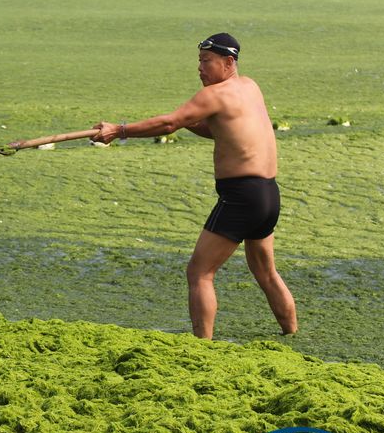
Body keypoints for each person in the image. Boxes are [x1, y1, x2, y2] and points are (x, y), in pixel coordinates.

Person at [91, 33, 298, 339]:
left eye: (206, 62)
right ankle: (291, 333)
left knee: (199, 272)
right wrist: (188, 121)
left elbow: (168, 124)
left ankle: (202, 347)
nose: (200, 69)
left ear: (228, 62)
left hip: (241, 197)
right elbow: (225, 131)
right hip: (268, 195)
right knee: (265, 271)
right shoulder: (250, 87)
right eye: (199, 61)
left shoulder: (214, 95)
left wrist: (118, 130)